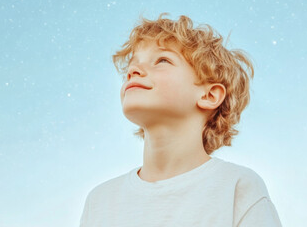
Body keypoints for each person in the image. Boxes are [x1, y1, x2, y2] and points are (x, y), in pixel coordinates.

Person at [80, 12, 282, 227]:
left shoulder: (237, 187)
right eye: (132, 63)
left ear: (209, 95)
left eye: (162, 60)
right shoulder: (100, 201)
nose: (133, 71)